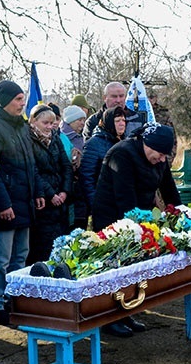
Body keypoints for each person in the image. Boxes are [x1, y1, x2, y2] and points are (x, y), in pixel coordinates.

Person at [91, 122, 181, 337]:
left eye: (164, 157)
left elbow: (168, 187)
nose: (161, 160)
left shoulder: (158, 156)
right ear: (147, 144)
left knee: (133, 269)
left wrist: (180, 213)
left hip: (140, 216)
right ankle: (109, 318)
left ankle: (126, 312)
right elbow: (124, 196)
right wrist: (141, 227)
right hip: (113, 218)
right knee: (115, 268)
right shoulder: (121, 154)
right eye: (159, 155)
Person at [0, 80, 40, 325]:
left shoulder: (21, 126)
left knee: (20, 255)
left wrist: (37, 193)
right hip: (4, 205)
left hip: (24, 201)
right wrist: (3, 204)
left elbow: (29, 163)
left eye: (23, 99)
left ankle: (15, 299)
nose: (22, 104)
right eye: (17, 100)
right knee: (0, 258)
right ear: (3, 101)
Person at [27, 104, 73, 263]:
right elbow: (33, 170)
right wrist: (50, 194)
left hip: (61, 199)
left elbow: (66, 166)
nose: (49, 127)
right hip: (43, 202)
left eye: (51, 123)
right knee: (43, 250)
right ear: (33, 121)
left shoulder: (55, 138)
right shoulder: (28, 140)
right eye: (45, 123)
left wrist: (64, 191)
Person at [80, 106, 126, 211]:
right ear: (109, 122)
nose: (122, 123)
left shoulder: (124, 142)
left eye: (123, 120)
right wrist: (95, 205)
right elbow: (87, 177)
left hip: (120, 202)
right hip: (102, 202)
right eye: (117, 121)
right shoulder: (94, 143)